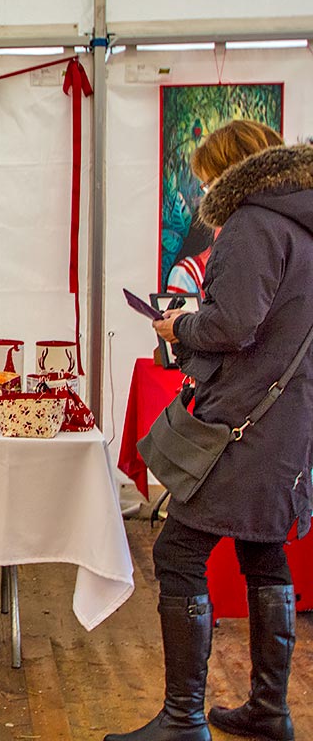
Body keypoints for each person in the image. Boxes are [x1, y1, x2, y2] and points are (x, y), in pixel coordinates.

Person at [107, 120, 310, 741]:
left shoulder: (253, 222)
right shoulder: (302, 223)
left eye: (205, 178)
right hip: (289, 422)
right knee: (263, 549)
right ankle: (269, 710)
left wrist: (179, 328)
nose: (202, 189)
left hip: (244, 422)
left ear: (227, 170)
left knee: (178, 552)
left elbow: (233, 326)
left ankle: (182, 719)